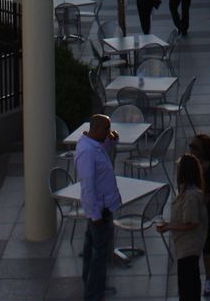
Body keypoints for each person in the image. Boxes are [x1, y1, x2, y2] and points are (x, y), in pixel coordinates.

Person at [74, 114, 122, 301]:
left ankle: (91, 287)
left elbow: (103, 150)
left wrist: (112, 142)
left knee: (92, 251)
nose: (108, 132)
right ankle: (94, 294)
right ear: (95, 129)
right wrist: (95, 215)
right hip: (99, 212)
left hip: (102, 209)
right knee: (99, 257)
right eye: (106, 129)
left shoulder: (95, 145)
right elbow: (87, 186)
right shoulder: (87, 152)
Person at [156, 153, 209, 301]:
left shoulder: (191, 196)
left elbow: (191, 223)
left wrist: (168, 226)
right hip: (184, 248)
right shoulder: (188, 192)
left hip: (189, 248)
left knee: (188, 289)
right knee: (187, 286)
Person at [190, 133, 210, 295]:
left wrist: (201, 203)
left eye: (195, 147)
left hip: (208, 209)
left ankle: (208, 279)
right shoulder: (188, 164)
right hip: (192, 209)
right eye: (191, 147)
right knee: (193, 246)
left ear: (204, 150)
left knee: (207, 244)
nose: (192, 150)